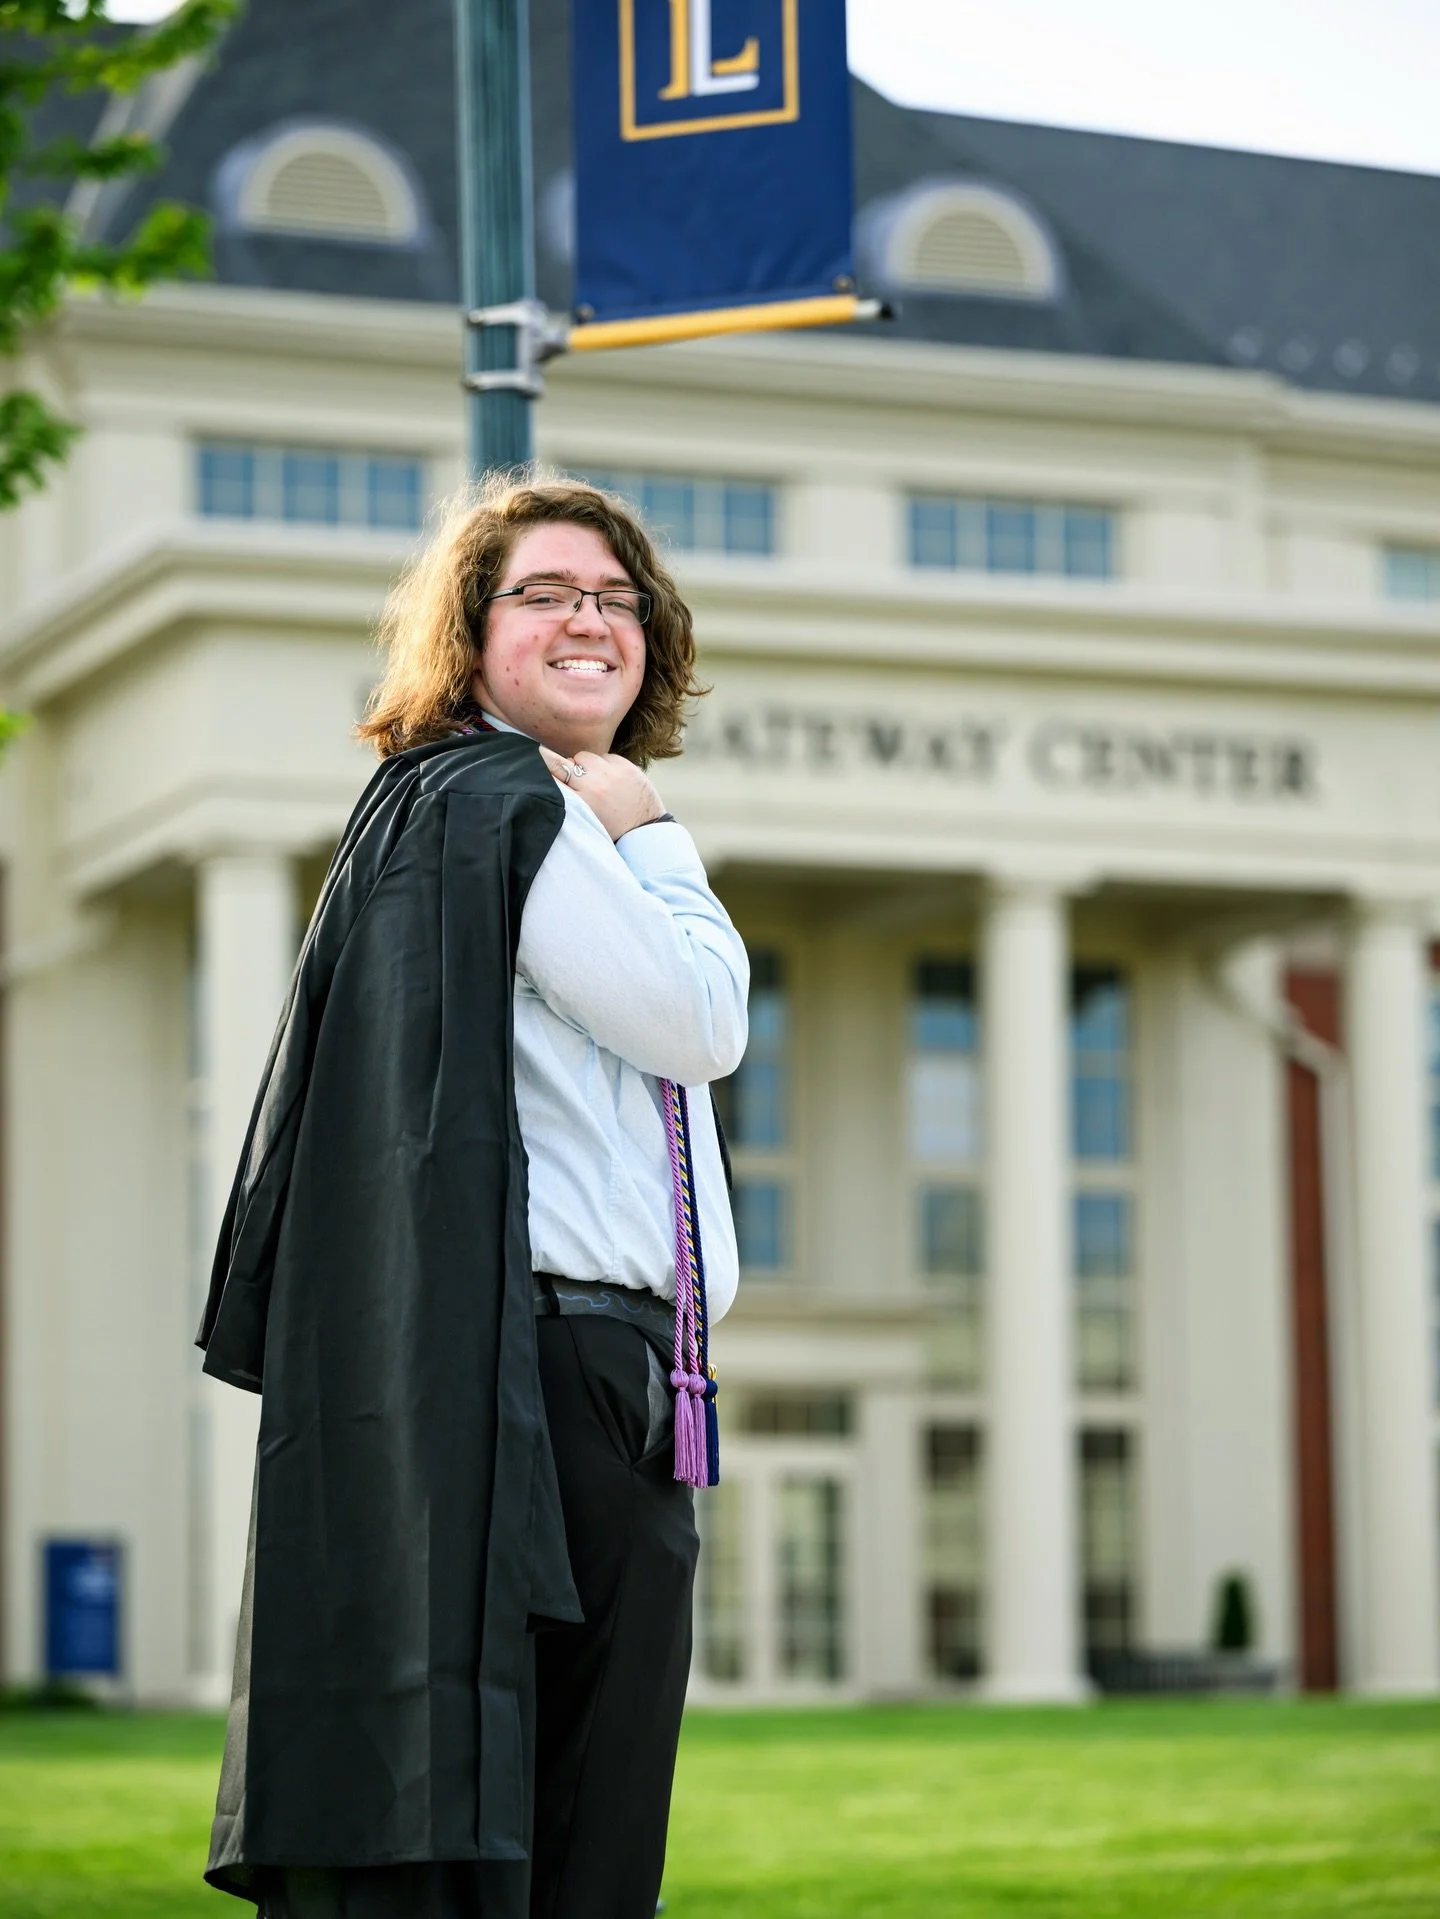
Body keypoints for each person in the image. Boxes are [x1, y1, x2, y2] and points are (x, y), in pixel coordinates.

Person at [197, 474, 749, 1919]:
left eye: (616, 596)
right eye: (546, 593)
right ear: (470, 624)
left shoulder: (460, 810)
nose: (589, 619)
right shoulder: (528, 811)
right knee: (586, 1826)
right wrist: (655, 831)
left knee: (549, 1814)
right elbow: (701, 1021)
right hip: (567, 1378)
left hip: (582, 1371)